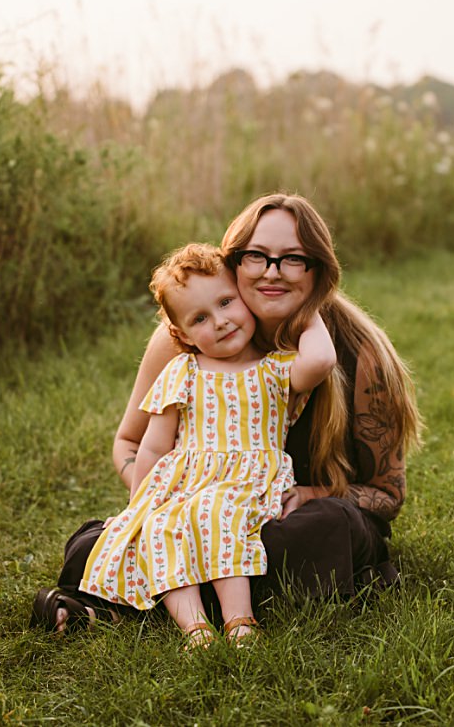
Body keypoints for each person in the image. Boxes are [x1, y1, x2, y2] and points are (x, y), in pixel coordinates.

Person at [30, 193, 421, 634]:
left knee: (329, 530)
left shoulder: (357, 354)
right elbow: (131, 443)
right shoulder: (186, 345)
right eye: (256, 256)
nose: (272, 272)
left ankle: (139, 603)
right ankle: (219, 596)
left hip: (288, 521)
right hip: (197, 514)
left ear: (319, 271)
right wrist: (163, 507)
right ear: (232, 262)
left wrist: (313, 494)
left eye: (293, 259)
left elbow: (387, 496)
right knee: (93, 543)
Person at [78, 243, 336, 648]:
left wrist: (305, 306)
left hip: (245, 483)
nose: (220, 321)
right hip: (185, 486)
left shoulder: (275, 368)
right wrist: (137, 508)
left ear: (244, 294)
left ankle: (240, 622)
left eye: (226, 302)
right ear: (181, 334)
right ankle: (195, 629)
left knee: (217, 512)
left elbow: (320, 361)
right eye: (200, 318)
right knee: (160, 527)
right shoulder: (181, 372)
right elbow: (152, 448)